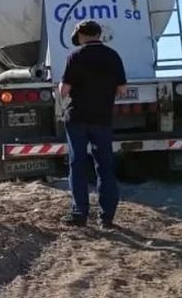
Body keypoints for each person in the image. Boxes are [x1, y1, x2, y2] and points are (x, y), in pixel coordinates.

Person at [59, 20, 127, 229]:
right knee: (105, 166)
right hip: (102, 119)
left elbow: (64, 90)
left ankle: (80, 214)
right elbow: (122, 90)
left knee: (77, 164)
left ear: (80, 35)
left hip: (78, 118)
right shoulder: (113, 56)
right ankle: (106, 218)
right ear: (99, 34)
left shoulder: (75, 56)